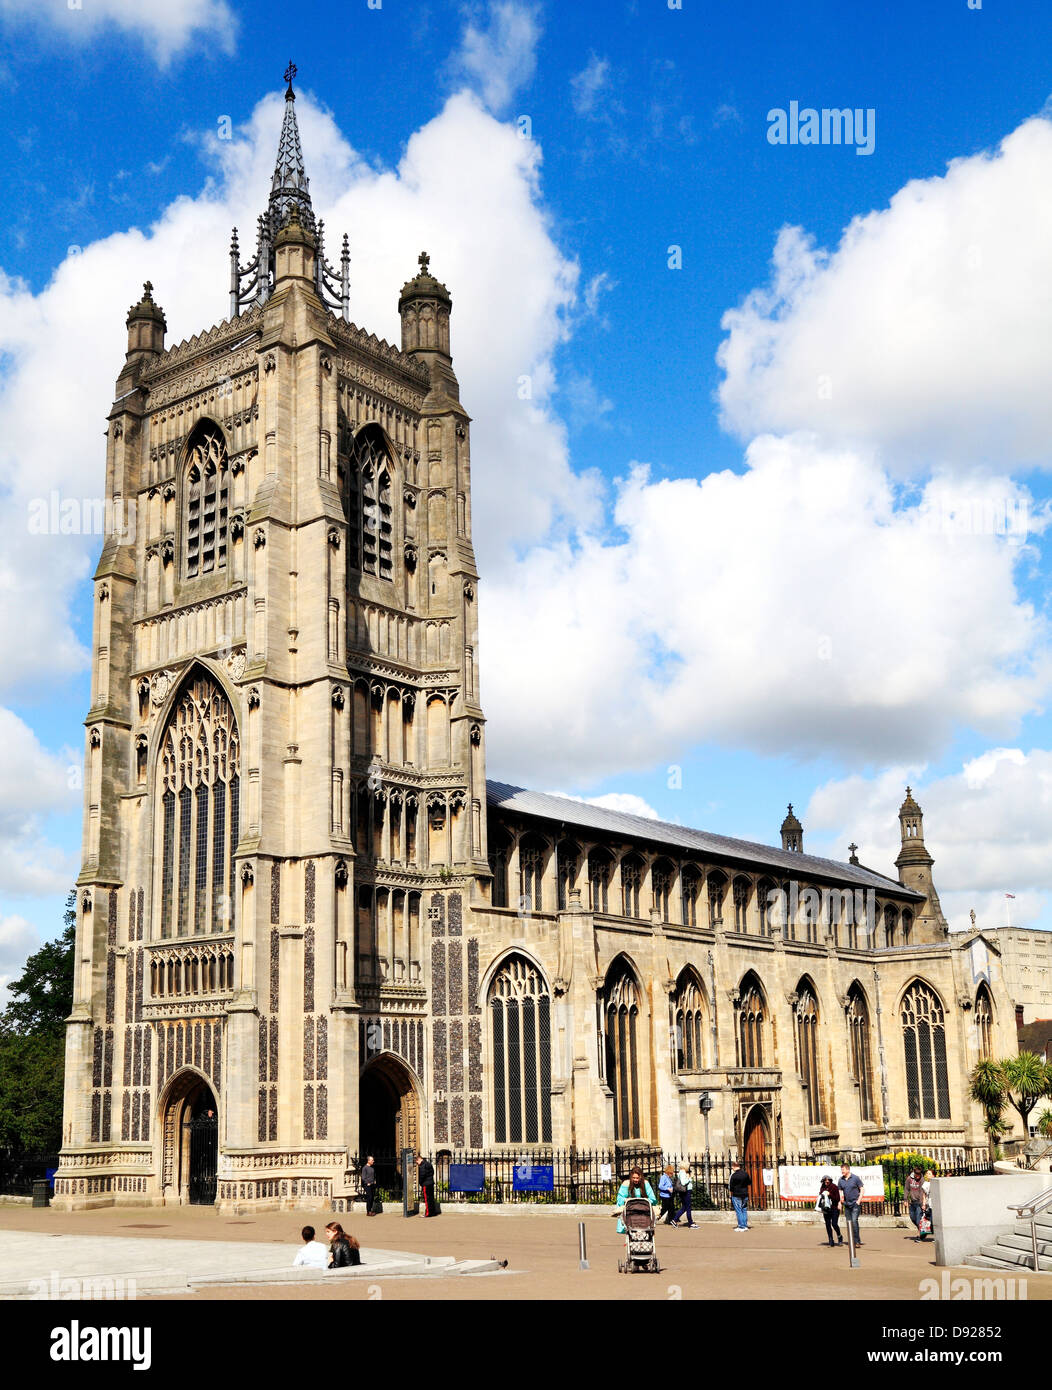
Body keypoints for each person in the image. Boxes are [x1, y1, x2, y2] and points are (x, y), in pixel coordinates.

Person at [614, 1166, 659, 1236]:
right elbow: (620, 1198)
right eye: (633, 1178)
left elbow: (653, 1199)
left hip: (643, 1209)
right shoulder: (626, 1183)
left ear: (641, 1177)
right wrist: (626, 1200)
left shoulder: (645, 1183)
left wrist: (644, 1201)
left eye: (637, 1178)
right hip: (631, 1210)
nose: (635, 1180)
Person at [837, 1163, 864, 1247]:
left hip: (855, 1203)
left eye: (843, 1170)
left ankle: (857, 1241)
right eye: (841, 1170)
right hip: (847, 1204)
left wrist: (858, 1201)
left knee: (854, 1221)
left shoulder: (855, 1178)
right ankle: (852, 1240)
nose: (842, 1171)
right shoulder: (840, 1180)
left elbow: (862, 1189)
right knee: (849, 1222)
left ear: (848, 1169)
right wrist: (840, 1201)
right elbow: (840, 1191)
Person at [815, 1176, 842, 1247]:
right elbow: (820, 1195)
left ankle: (839, 1236)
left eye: (828, 1181)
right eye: (825, 1181)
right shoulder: (822, 1187)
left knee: (834, 1224)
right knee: (827, 1224)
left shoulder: (834, 1187)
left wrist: (830, 1194)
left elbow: (837, 1198)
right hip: (826, 1209)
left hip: (834, 1208)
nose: (826, 1183)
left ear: (830, 1181)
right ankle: (831, 1240)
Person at [672, 1163, 697, 1229]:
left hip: (685, 1191)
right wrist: (689, 1178)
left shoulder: (682, 1172)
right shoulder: (682, 1172)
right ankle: (690, 1223)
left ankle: (674, 1220)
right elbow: (683, 1182)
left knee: (684, 1207)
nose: (688, 1167)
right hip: (686, 1191)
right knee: (688, 1207)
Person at [905, 1166, 926, 1240]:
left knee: (918, 1219)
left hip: (919, 1203)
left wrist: (922, 1204)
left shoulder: (922, 1180)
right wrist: (905, 1200)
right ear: (914, 1173)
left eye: (919, 1175)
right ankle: (922, 1231)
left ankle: (920, 1234)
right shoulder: (909, 1179)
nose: (917, 1176)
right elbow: (906, 1189)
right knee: (912, 1218)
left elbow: (921, 1192)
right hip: (912, 1202)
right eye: (916, 1175)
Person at [729, 1160, 751, 1231]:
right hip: (745, 1193)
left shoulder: (734, 1175)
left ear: (735, 1166)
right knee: (744, 1209)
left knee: (738, 1210)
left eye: (732, 1166)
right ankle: (745, 1225)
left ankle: (741, 1226)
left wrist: (732, 1191)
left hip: (736, 1194)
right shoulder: (745, 1174)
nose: (732, 1168)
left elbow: (731, 1187)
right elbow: (749, 1182)